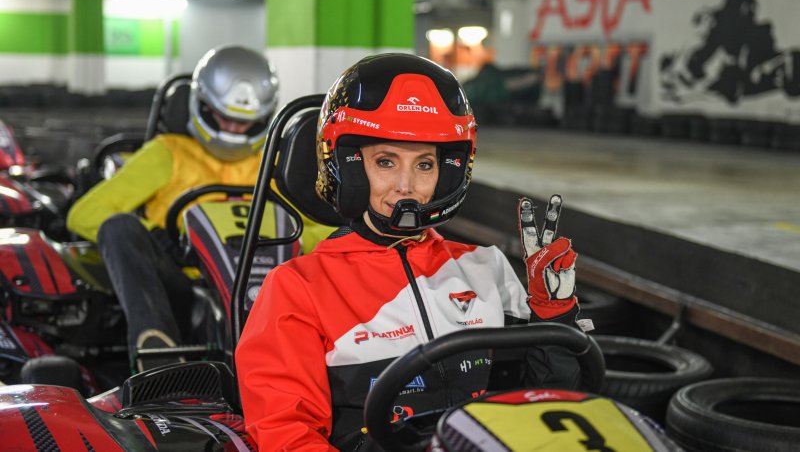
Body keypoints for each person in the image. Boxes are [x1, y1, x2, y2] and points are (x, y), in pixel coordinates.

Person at [236, 53, 584, 451]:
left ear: (448, 173)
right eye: (386, 162)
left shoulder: (484, 266)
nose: (406, 186)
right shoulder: (298, 288)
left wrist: (554, 316)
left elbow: (549, 407)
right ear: (349, 167)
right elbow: (285, 432)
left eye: (424, 165)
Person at [66, 45, 331, 372]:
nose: (234, 129)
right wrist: (159, 236)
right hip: (185, 287)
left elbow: (329, 230)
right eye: (225, 118)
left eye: (244, 122)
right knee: (119, 227)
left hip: (270, 290)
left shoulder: (275, 163)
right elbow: (85, 214)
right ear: (202, 105)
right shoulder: (167, 153)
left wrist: (294, 240)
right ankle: (158, 351)